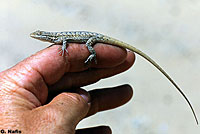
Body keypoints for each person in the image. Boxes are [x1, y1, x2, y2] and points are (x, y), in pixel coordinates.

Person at [0, 43, 135, 134]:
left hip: (90, 39)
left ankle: (93, 55)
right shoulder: (58, 41)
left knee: (89, 47)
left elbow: (65, 44)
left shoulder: (59, 40)